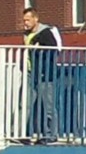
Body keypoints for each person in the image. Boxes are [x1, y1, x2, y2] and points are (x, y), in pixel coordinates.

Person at [24, 8, 63, 139]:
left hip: (45, 74)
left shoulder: (46, 33)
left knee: (48, 105)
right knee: (28, 104)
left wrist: (38, 48)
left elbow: (54, 51)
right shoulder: (26, 34)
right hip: (31, 73)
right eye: (24, 20)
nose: (25, 23)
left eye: (28, 20)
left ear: (36, 19)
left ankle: (51, 134)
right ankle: (30, 133)